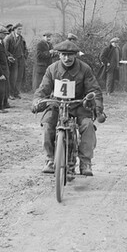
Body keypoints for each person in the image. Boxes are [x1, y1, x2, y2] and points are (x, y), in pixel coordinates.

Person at [32, 40, 105, 176]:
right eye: (64, 55)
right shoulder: (52, 69)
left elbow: (94, 90)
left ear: (76, 55)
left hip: (78, 105)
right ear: (59, 55)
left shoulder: (85, 69)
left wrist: (97, 106)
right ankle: (50, 159)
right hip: (57, 105)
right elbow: (43, 88)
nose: (67, 58)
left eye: (70, 55)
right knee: (47, 124)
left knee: (88, 125)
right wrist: (37, 101)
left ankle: (85, 162)